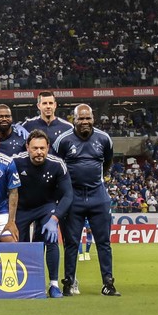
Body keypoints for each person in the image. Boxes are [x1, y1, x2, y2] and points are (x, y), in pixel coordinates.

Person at [55, 104, 120, 296]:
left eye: (88, 118)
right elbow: (57, 166)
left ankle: (108, 283)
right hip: (72, 197)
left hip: (98, 196)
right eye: (80, 119)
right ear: (73, 119)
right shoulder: (63, 140)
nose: (85, 122)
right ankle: (69, 283)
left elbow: (107, 162)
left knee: (104, 242)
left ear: (93, 118)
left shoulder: (104, 138)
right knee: (71, 243)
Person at [13, 129, 73, 298]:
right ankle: (23, 282)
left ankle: (53, 284)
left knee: (51, 238)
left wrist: (55, 219)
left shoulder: (57, 164)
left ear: (48, 147)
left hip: (46, 207)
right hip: (21, 208)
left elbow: (68, 195)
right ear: (27, 147)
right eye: (34, 148)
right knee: (19, 244)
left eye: (42, 148)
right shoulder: (15, 162)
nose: (39, 152)